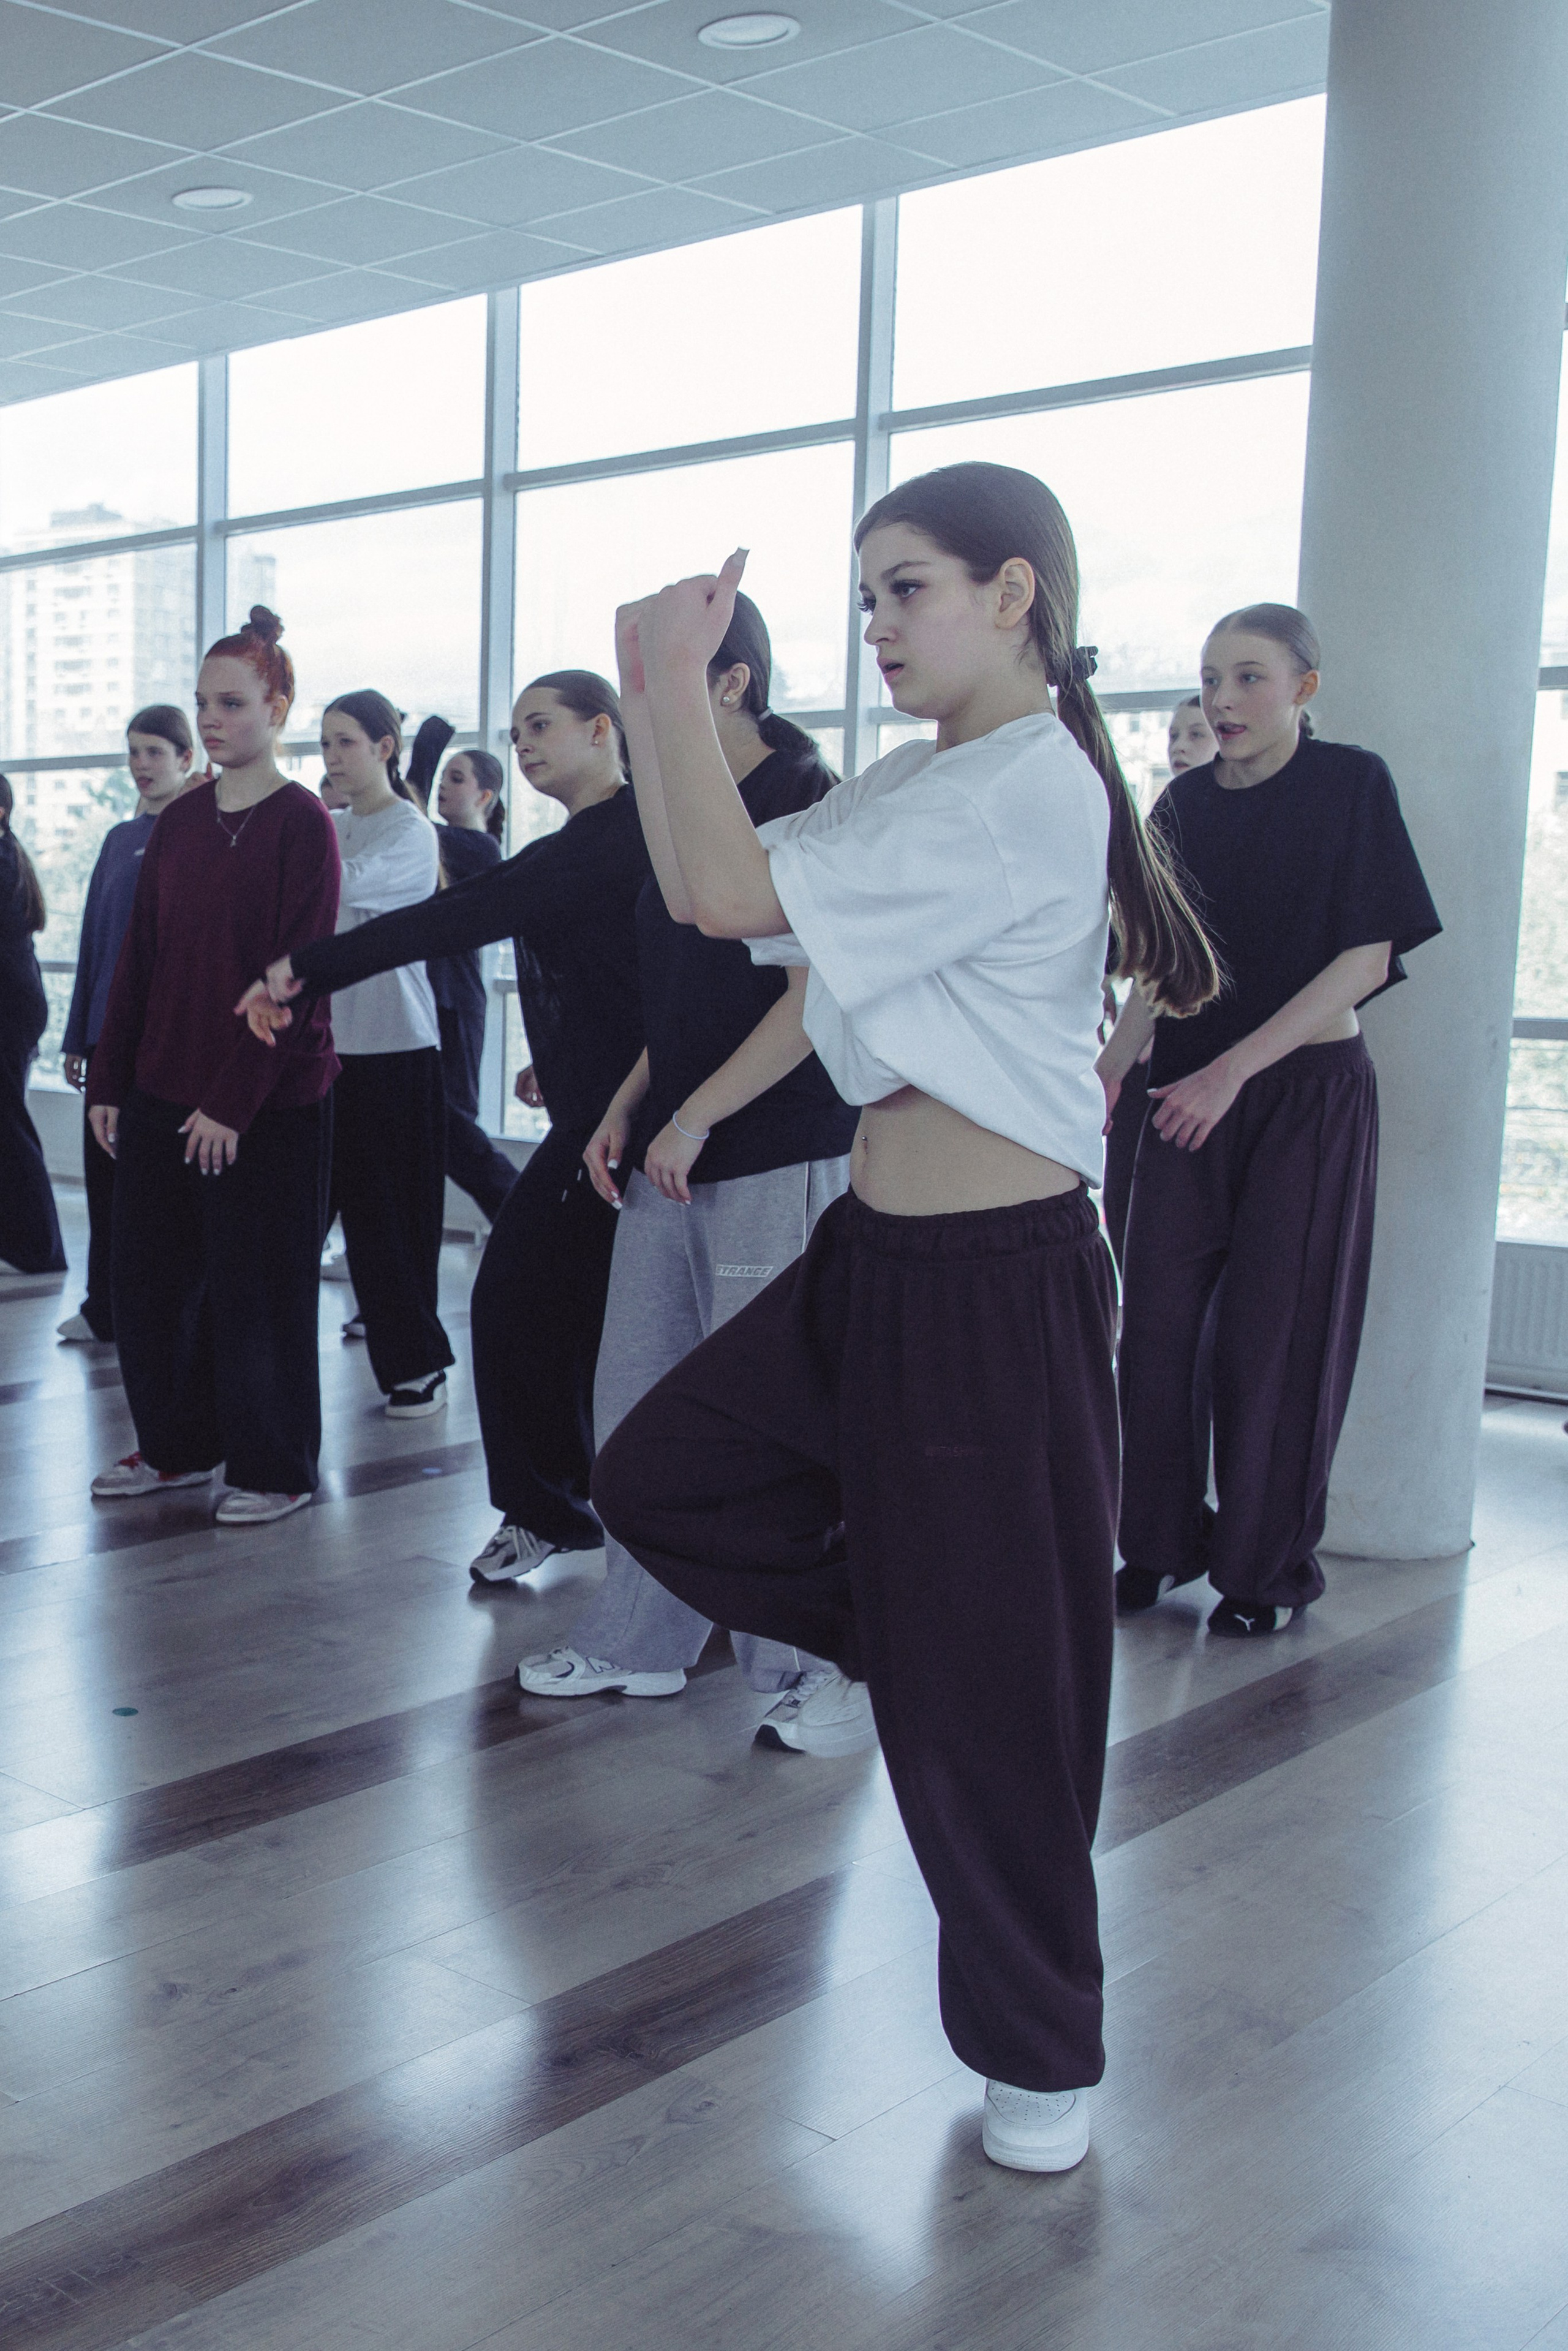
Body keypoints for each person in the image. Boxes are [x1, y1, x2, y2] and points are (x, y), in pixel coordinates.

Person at [587, 461, 1218, 2176]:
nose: (876, 625)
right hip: (880, 1255)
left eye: (908, 589)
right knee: (665, 1477)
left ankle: (1041, 2053)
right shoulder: (921, 779)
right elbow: (715, 893)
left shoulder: (1023, 791)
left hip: (996, 1283)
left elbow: (722, 896)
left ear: (1017, 595)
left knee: (1002, 1714)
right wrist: (660, 702)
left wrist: (660, 680)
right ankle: (911, 1639)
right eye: (864, 595)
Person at [516, 594, 858, 1734]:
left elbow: (812, 1002)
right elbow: (690, 988)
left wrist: (697, 1116)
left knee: (770, 1417)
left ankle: (807, 1666)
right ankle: (641, 1637)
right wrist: (629, 1104)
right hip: (677, 1146)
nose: (642, 714)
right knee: (639, 1404)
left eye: (663, 682)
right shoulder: (680, 811)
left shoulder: (811, 798)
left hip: (772, 1147)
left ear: (734, 682)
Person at [241, 672, 649, 1577]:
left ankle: (606, 1521)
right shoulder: (588, 841)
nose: (526, 744)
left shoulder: (618, 837)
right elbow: (612, 974)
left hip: (645, 1133)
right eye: (516, 730)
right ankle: (565, 1506)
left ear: (604, 730)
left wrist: (304, 967)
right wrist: (565, 1059)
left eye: (543, 726)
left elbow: (456, 916)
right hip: (598, 1122)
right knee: (537, 1303)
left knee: (535, 1300)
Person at [1100, 604, 1441, 1636]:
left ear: (1304, 688)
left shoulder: (1352, 786)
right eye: (1211, 679)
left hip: (1302, 1096)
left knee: (1274, 1341)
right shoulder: (1182, 807)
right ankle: (1156, 1542)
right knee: (1153, 1330)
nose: (1224, 698)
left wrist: (1232, 1073)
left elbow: (1367, 959)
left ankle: (1262, 1570)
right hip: (1180, 1097)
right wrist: (1110, 1074)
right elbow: (1161, 966)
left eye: (1250, 677)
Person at [85, 607, 340, 1525]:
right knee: (147, 1285)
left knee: (258, 1290)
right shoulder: (181, 818)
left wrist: (231, 1101)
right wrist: (111, 1081)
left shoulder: (304, 823)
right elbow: (140, 962)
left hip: (268, 1103)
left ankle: (276, 1468)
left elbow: (299, 976)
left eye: (232, 702)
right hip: (161, 1088)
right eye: (204, 703)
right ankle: (178, 1448)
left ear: (278, 706)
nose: (213, 720)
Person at [318, 690, 454, 1421]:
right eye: (326, 744)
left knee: (392, 1217)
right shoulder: (327, 824)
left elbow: (338, 896)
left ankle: (416, 1366)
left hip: (395, 1047)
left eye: (347, 742)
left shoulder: (408, 829)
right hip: (321, 1047)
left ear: (385, 747)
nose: (334, 758)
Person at [58, 706, 195, 1342]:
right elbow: (94, 940)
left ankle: (149, 1312)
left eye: (155, 753)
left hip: (159, 1038)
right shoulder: (117, 839)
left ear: (185, 760)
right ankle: (102, 1306)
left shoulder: (196, 839)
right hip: (105, 1036)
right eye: (134, 752)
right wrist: (77, 1033)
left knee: (152, 1188)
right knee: (103, 1177)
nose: (141, 765)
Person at [1101, 695, 1218, 1268]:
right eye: (1174, 735)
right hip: (1149, 1065)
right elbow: (1138, 944)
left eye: (1196, 734)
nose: (1178, 747)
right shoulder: (1167, 821)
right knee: (1135, 1240)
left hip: (1209, 1072)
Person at [431, 748, 518, 1226]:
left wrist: (424, 749)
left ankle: (524, 1217)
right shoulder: (439, 840)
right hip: (433, 1004)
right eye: (444, 776)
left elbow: (415, 828)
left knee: (457, 1132)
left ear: (484, 796)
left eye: (456, 778)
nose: (445, 785)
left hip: (455, 1007)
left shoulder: (477, 849)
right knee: (440, 1136)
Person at [0, 775, 67, 1277]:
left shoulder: (3, 863)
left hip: (9, 1009)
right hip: (16, 1005)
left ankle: (41, 1250)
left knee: (8, 1125)